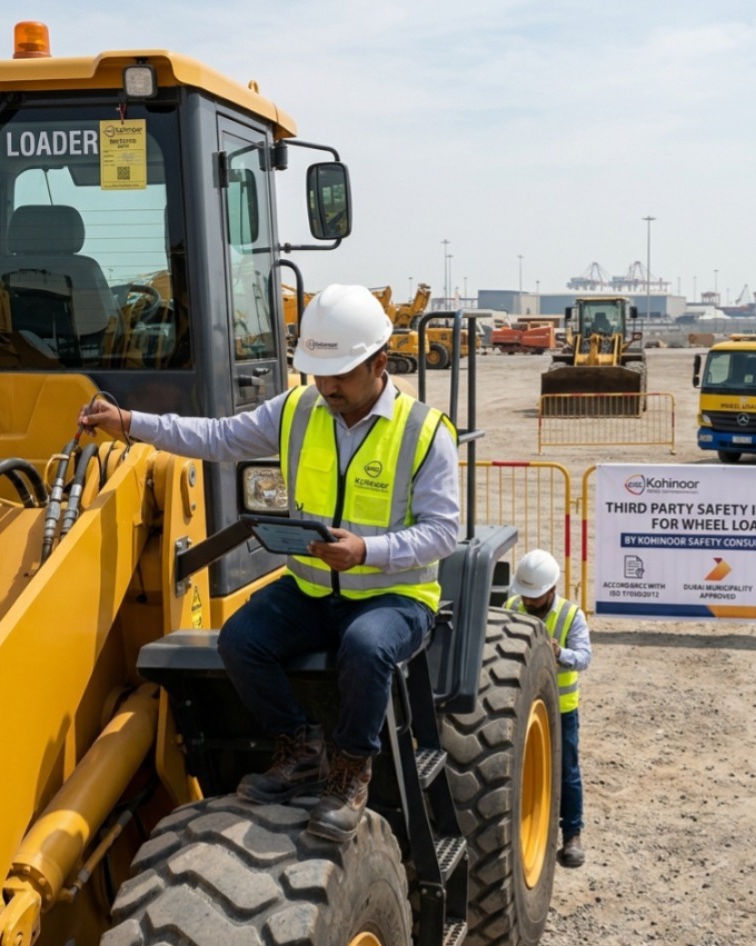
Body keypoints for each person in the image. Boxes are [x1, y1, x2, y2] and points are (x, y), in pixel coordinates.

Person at [79, 283, 459, 842]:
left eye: (340, 375)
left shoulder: (425, 432)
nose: (326, 386)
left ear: (379, 363)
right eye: (318, 373)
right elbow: (216, 437)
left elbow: (444, 531)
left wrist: (366, 551)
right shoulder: (299, 408)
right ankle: (301, 747)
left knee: (365, 645)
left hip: (394, 597)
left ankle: (351, 768)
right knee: (240, 640)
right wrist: (131, 422)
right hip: (312, 592)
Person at [505, 549, 591, 868]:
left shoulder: (571, 616)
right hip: (522, 703)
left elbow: (584, 658)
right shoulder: (513, 606)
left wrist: (561, 652)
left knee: (567, 771)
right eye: (525, 595)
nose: (528, 603)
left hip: (562, 708)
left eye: (535, 597)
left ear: (551, 590)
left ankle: (571, 835)